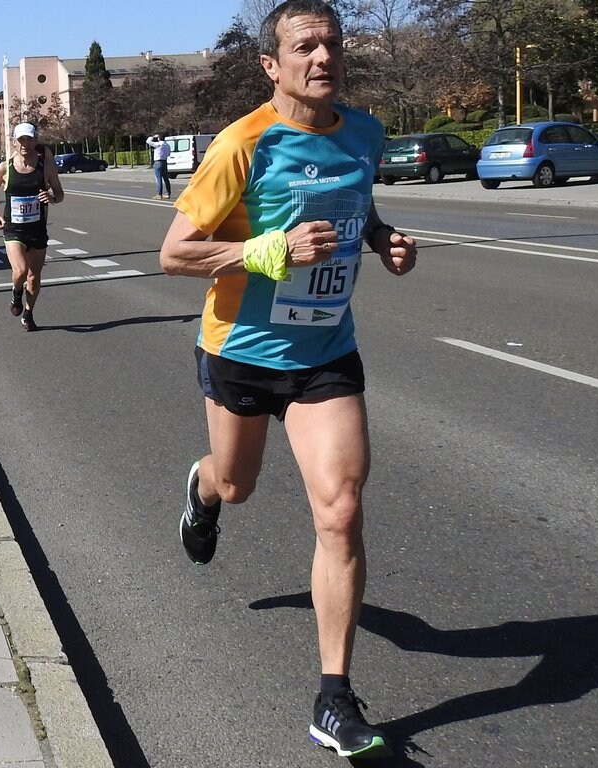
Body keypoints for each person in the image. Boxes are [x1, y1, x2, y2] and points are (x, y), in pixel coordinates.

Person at [158, 0, 417, 759]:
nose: (322, 56)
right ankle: (202, 494)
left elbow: (358, 203)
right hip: (241, 348)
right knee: (237, 484)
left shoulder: (364, 132)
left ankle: (333, 697)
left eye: (332, 43)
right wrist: (269, 252)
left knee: (340, 510)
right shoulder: (243, 144)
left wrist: (384, 238)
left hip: (325, 353)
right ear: (272, 65)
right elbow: (176, 253)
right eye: (304, 46)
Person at [0, 122, 64, 332]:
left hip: (37, 229)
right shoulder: (4, 168)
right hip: (14, 229)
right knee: (21, 271)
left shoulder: (45, 167)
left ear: (35, 141)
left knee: (34, 276)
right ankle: (15, 293)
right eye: (21, 140)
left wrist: (51, 197)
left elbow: (60, 193)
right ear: (14, 142)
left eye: (29, 139)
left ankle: (28, 313)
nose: (25, 144)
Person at [145, 131, 171, 199]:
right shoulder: (167, 145)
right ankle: (168, 193)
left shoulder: (158, 144)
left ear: (159, 138)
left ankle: (159, 194)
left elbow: (148, 141)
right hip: (164, 162)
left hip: (158, 162)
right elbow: (168, 154)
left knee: (159, 178)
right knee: (166, 178)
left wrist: (153, 137)